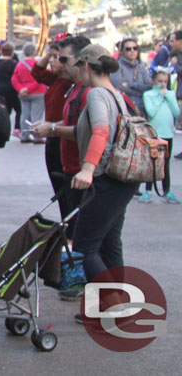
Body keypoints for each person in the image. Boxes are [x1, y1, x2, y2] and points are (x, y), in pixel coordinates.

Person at [68, 44, 141, 285]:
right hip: (121, 180)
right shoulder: (117, 94)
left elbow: (101, 131)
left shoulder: (97, 94)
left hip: (105, 180)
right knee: (110, 243)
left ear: (87, 66)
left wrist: (88, 169)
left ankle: (112, 303)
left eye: (80, 66)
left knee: (84, 246)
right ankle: (112, 306)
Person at [34, 34, 92, 252]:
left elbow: (84, 130)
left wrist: (52, 128)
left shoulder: (86, 90)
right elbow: (37, 73)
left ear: (80, 61)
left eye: (62, 58)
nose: (56, 62)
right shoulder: (71, 85)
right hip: (70, 162)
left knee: (84, 229)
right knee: (69, 212)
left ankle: (81, 273)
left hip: (80, 167)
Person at [141, 68, 180, 203]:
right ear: (153, 81)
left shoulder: (169, 94)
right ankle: (148, 190)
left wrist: (169, 97)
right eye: (159, 81)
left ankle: (167, 191)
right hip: (154, 133)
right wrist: (159, 97)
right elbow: (151, 112)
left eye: (165, 81)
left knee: (166, 163)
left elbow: (176, 112)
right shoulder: (148, 94)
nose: (162, 84)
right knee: (152, 162)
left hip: (167, 133)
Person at [12, 42, 47, 142]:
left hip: (23, 93)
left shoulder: (20, 64)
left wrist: (21, 89)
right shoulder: (37, 64)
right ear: (34, 52)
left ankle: (25, 135)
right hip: (37, 92)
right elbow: (39, 79)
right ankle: (37, 136)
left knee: (24, 114)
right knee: (36, 115)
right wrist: (29, 88)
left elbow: (14, 78)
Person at [110, 37, 152, 110]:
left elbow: (149, 85)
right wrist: (139, 92)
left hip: (144, 106)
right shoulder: (117, 67)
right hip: (127, 108)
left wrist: (131, 85)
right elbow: (119, 87)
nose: (132, 51)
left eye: (135, 48)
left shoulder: (141, 66)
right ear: (122, 51)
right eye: (128, 49)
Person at [0, 41, 22, 136]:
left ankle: (0, 128)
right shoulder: (13, 64)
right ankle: (17, 128)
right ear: (12, 52)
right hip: (11, 89)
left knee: (3, 110)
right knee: (18, 109)